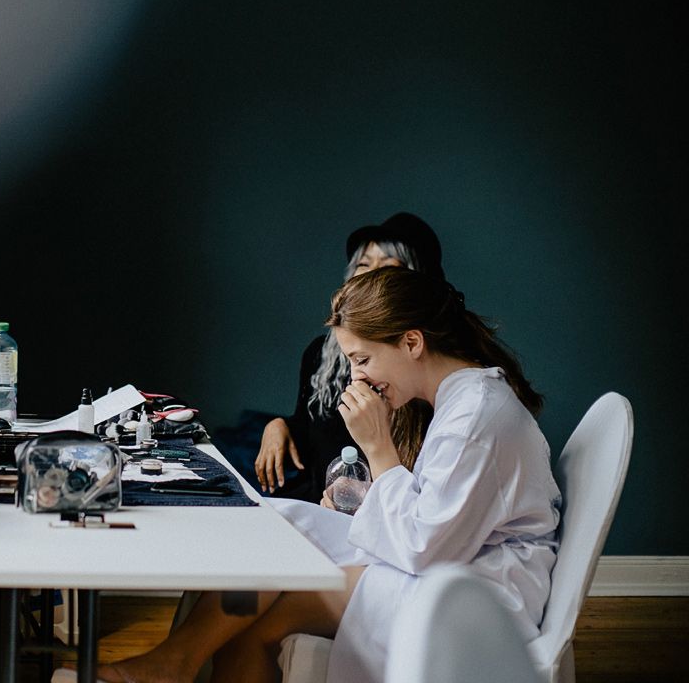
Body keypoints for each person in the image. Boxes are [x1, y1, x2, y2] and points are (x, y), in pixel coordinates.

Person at [92, 266, 560, 683]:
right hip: (451, 558)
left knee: (255, 632)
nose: (355, 378)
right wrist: (365, 494)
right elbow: (439, 509)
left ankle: (172, 664)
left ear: (412, 343)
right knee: (271, 527)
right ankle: (173, 661)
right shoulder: (457, 401)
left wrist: (378, 448)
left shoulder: (475, 416)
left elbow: (427, 548)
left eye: (362, 359)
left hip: (476, 593)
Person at [254, 212, 445, 502]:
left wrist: (361, 498)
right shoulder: (321, 354)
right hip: (321, 503)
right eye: (363, 264)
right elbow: (312, 435)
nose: (370, 274)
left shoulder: (422, 375)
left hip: (385, 510)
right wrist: (280, 425)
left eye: (388, 266)